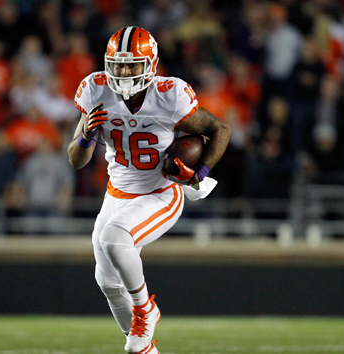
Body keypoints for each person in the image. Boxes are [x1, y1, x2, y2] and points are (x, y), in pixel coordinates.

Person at [67, 27, 231, 354]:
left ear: (150, 64)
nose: (124, 71)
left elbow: (220, 129)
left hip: (160, 193)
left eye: (132, 65)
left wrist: (198, 172)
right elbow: (76, 160)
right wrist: (86, 134)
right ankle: (145, 351)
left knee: (115, 238)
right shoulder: (96, 90)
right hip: (116, 194)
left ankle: (146, 309)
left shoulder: (169, 96)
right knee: (107, 280)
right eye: (118, 64)